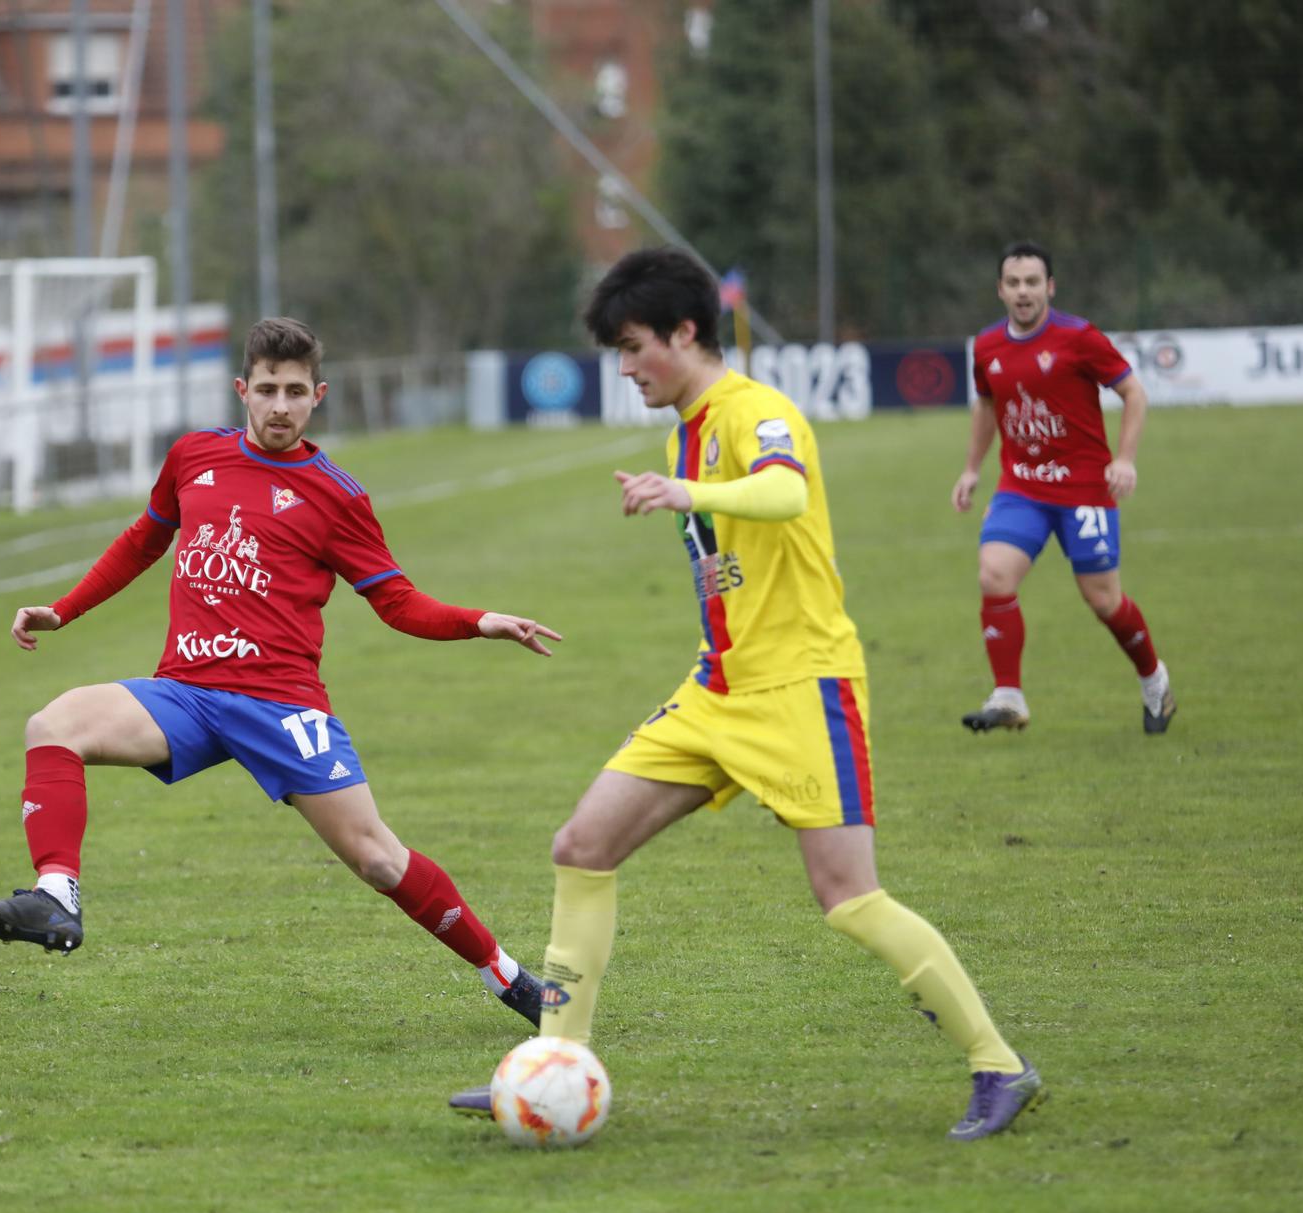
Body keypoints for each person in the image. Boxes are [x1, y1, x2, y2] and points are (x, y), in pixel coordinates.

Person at [447, 249, 1044, 1141]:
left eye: (634, 345)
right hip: (716, 687)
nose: (625, 367)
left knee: (848, 894)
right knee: (582, 843)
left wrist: (682, 490)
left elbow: (781, 491)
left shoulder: (756, 412)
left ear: (686, 333)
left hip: (801, 687)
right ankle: (555, 1064)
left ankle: (1000, 1065)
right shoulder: (680, 424)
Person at [0, 317, 562, 1031]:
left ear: (318, 398)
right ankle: (57, 894)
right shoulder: (193, 457)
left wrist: (478, 618)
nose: (280, 405)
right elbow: (142, 540)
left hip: (280, 705)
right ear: (242, 390)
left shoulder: (337, 495)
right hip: (184, 692)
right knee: (52, 725)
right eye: (268, 389)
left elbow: (397, 603)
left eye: (296, 392)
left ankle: (509, 977)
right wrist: (65, 610)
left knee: (377, 859)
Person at [953, 241, 1171, 734]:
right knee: (994, 575)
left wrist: (1126, 460)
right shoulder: (987, 347)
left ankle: (1154, 680)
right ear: (1000, 290)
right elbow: (986, 405)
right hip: (1021, 487)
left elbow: (1133, 392)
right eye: (1014, 283)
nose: (1023, 292)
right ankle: (1008, 696)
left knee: (1103, 602)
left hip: (1084, 490)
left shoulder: (1079, 337)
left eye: (1033, 282)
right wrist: (971, 469)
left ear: (1049, 287)